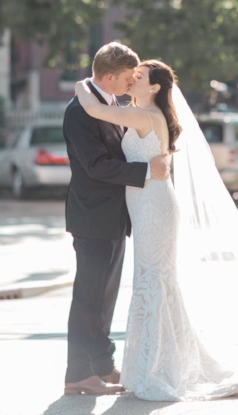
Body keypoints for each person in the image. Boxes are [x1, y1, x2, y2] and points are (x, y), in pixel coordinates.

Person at [74, 58, 238, 401]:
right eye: (132, 75)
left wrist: (81, 83)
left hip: (154, 206)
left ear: (153, 87)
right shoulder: (145, 113)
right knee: (158, 282)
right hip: (151, 202)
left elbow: (92, 108)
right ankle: (158, 363)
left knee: (153, 281)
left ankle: (158, 368)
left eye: (139, 77)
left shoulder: (145, 115)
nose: (133, 80)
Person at [61, 42, 172, 396]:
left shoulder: (110, 105)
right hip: (93, 216)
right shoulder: (80, 112)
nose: (130, 84)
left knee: (104, 296)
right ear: (109, 76)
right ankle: (78, 373)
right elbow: (95, 166)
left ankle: (102, 365)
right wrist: (145, 170)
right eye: (127, 78)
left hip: (116, 216)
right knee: (89, 297)